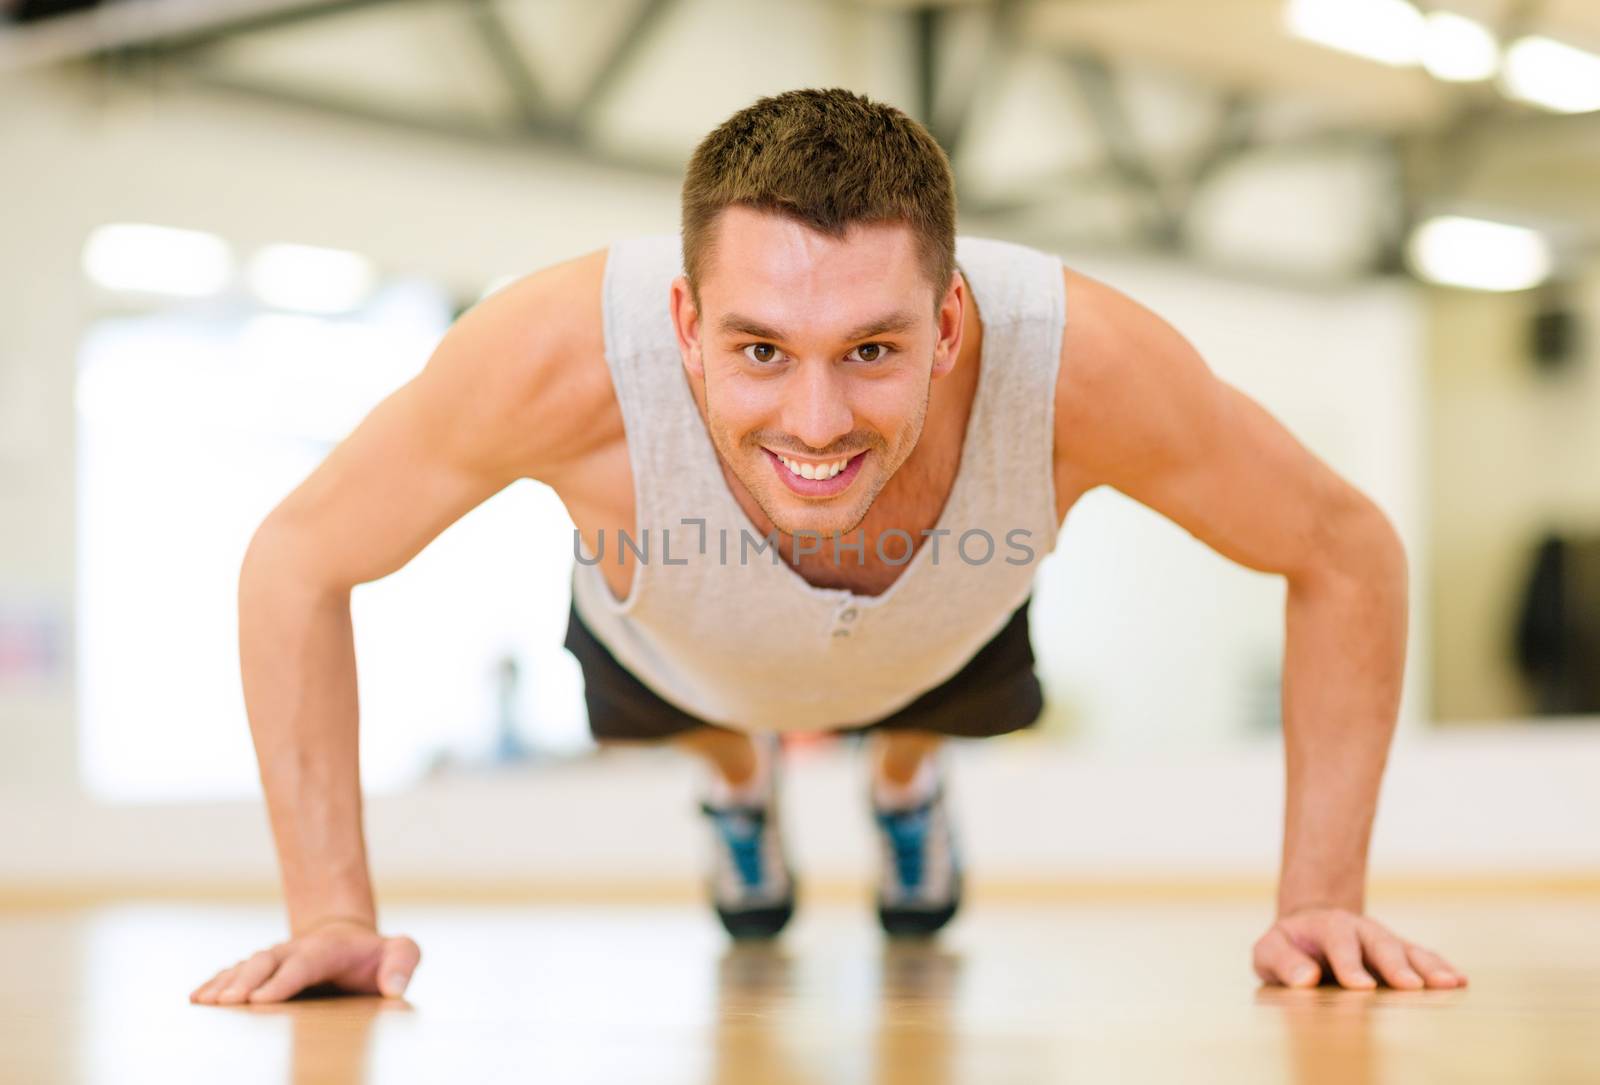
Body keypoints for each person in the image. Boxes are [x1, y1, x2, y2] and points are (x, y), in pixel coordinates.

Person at [190, 87, 1466, 1006]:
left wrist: (1318, 897)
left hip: (944, 631)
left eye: (871, 349)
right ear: (683, 323)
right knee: (715, 720)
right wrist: (333, 914)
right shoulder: (546, 358)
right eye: (759, 349)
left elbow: (1345, 548)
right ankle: (739, 791)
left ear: (952, 321)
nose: (814, 423)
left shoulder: (1086, 365)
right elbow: (296, 561)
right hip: (675, 646)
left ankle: (903, 784)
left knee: (923, 690)